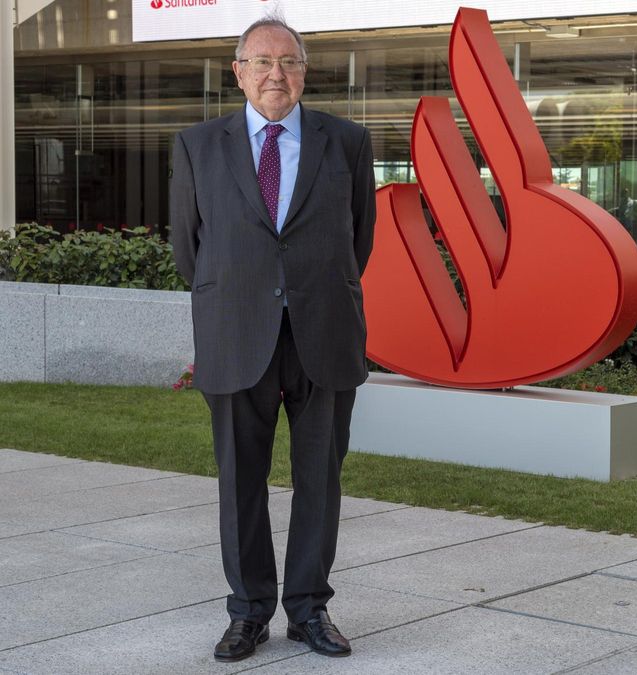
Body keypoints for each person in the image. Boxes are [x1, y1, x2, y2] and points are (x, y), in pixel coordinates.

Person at [169, 14, 375, 663]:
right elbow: (188, 249)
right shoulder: (198, 146)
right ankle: (249, 612)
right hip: (236, 331)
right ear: (238, 73)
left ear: (304, 72)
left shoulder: (347, 142)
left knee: (321, 477)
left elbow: (358, 240)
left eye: (287, 61)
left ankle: (310, 609)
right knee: (241, 481)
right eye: (261, 62)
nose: (275, 74)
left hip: (323, 330)